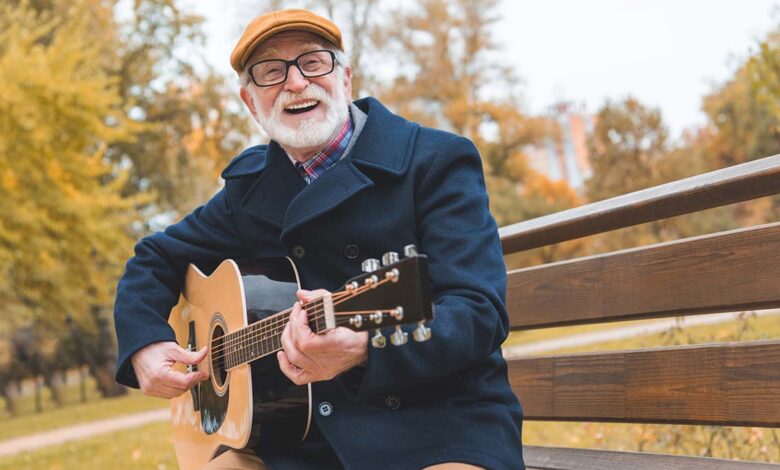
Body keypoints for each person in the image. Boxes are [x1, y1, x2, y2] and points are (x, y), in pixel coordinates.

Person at [114, 8, 524, 470]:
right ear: (251, 103)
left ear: (345, 78)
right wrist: (145, 344)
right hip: (300, 440)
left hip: (440, 428)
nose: (295, 83)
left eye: (312, 62)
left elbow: (478, 312)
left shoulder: (435, 160)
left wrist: (367, 349)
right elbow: (153, 258)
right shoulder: (248, 191)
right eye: (271, 72)